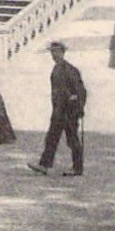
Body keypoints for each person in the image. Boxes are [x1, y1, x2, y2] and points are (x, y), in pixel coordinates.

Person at [28, 40, 86, 177]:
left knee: (72, 140)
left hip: (68, 112)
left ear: (62, 52)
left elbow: (80, 91)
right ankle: (44, 165)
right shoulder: (57, 68)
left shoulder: (70, 70)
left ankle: (77, 168)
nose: (53, 55)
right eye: (52, 52)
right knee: (51, 138)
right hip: (59, 111)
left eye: (56, 52)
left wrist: (77, 105)